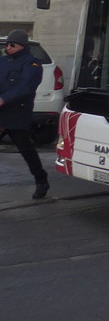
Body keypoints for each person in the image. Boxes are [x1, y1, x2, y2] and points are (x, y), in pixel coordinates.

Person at [0, 30, 50, 199]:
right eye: (7, 44)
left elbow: (25, 87)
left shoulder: (32, 64)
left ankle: (41, 180)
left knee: (26, 150)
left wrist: (3, 99)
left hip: (17, 114)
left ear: (22, 45)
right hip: (1, 113)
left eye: (12, 44)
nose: (9, 47)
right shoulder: (3, 61)